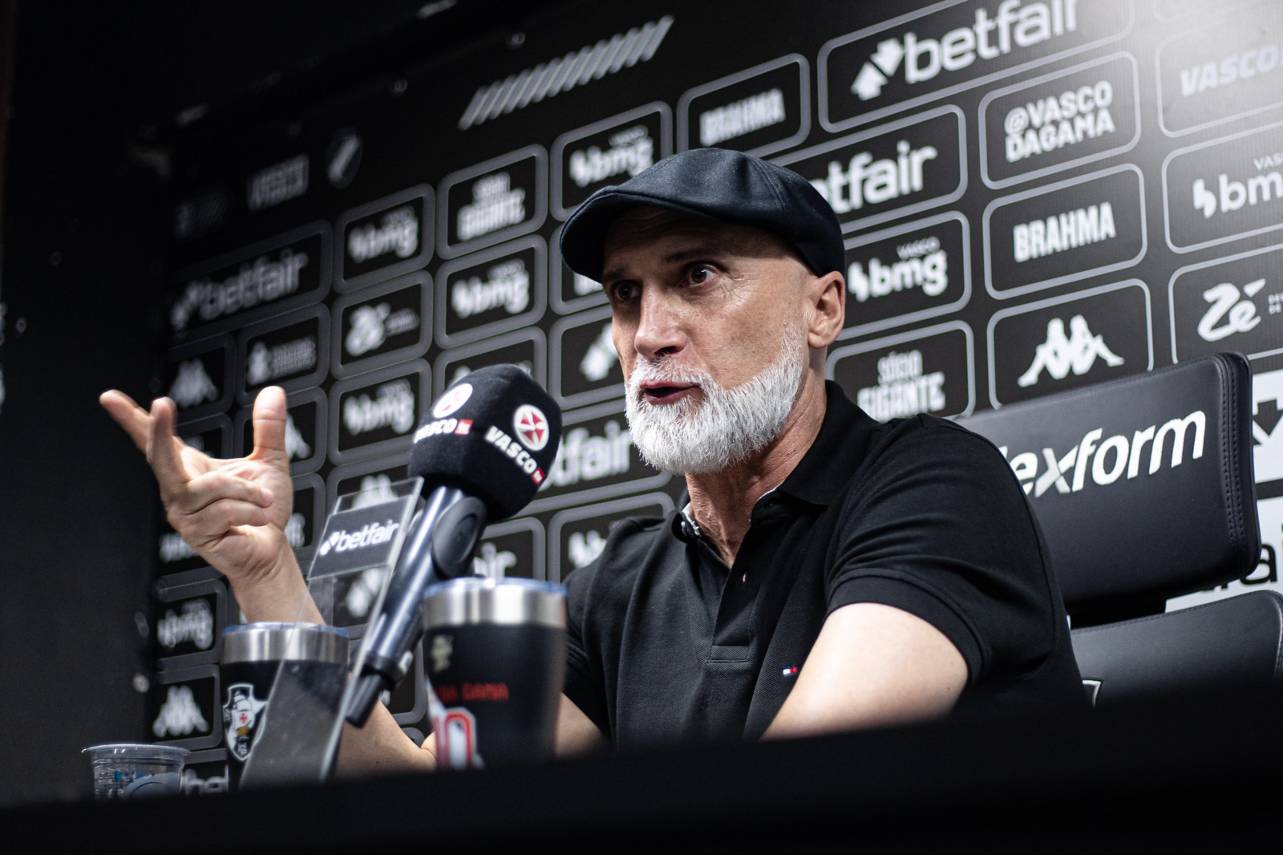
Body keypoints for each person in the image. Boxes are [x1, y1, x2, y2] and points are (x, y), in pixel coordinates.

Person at [100, 148, 1083, 771]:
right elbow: (433, 791)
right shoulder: (619, 579)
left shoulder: (930, 483)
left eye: (698, 275)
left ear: (822, 307)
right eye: (623, 294)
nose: (647, 332)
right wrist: (266, 575)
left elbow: (800, 803)